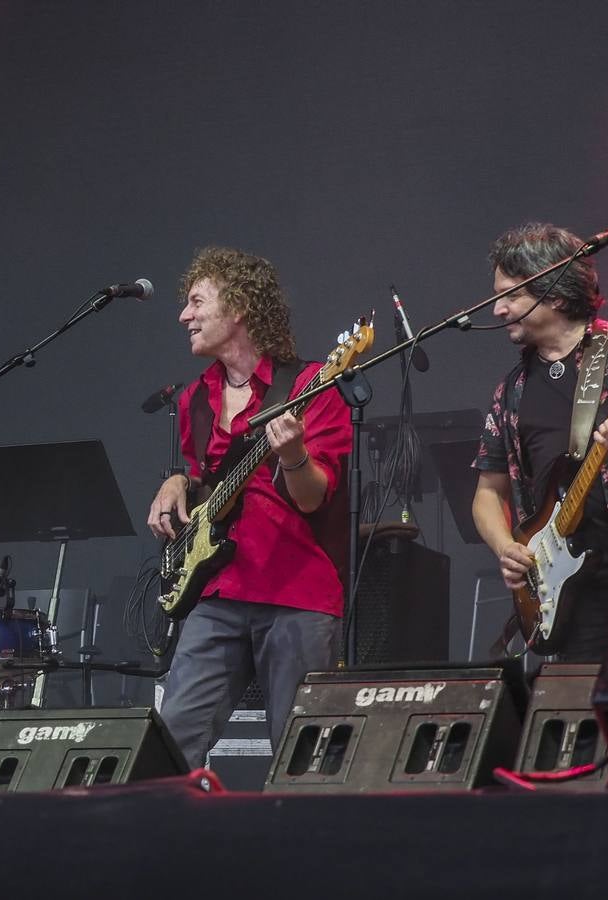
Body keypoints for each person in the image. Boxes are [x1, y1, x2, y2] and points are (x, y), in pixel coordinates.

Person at [146, 246, 351, 769]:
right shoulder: (195, 398)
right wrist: (177, 481)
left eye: (197, 302)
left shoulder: (309, 386)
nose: (184, 316)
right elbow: (206, 480)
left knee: (301, 760)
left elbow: (312, 496)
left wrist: (293, 455)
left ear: (237, 307)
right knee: (170, 746)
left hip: (297, 593)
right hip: (218, 591)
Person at [471, 222, 608, 661]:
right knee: (576, 698)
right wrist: (506, 547)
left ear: (553, 294)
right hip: (568, 588)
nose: (498, 309)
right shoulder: (511, 389)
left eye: (510, 296)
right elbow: (487, 494)